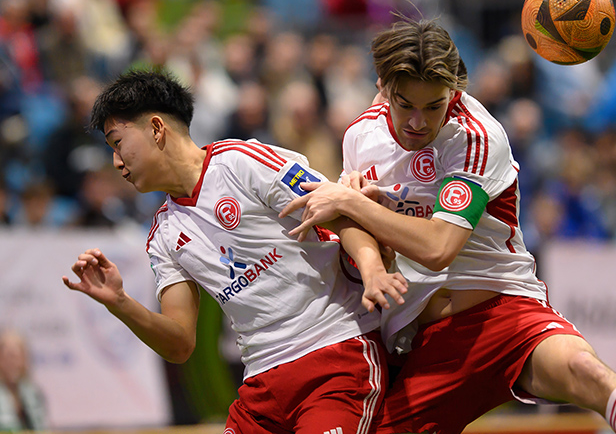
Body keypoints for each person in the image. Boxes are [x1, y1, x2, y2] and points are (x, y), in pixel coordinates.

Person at [281, 17, 616, 434]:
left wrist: (353, 204)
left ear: (454, 89)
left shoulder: (476, 136)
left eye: (433, 106)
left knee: (583, 370)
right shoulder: (361, 135)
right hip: (425, 343)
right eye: (405, 105)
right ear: (383, 86)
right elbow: (352, 218)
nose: (418, 122)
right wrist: (367, 248)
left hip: (502, 309)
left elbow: (439, 248)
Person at [62, 70, 408, 434]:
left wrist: (373, 270)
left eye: (118, 143)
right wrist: (119, 301)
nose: (117, 162)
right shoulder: (163, 235)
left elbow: (342, 214)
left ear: (156, 128)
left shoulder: (243, 161)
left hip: (335, 356)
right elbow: (180, 343)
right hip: (261, 386)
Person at [0, 329, 47, 431]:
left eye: (16, 357)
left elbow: (43, 427)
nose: (12, 362)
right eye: (8, 356)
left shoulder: (33, 392)